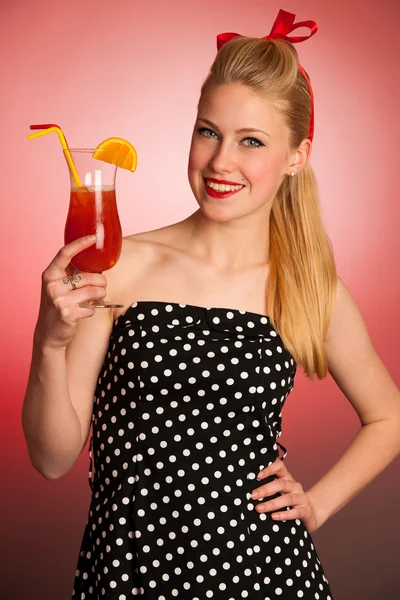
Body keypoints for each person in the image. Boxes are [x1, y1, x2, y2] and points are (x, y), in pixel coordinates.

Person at [22, 8, 400, 600]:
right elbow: (51, 458)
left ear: (298, 155)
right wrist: (49, 342)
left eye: (251, 141)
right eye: (208, 132)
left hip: (265, 575)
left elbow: (390, 417)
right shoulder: (120, 264)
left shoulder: (306, 284)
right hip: (130, 573)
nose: (221, 162)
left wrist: (317, 505)